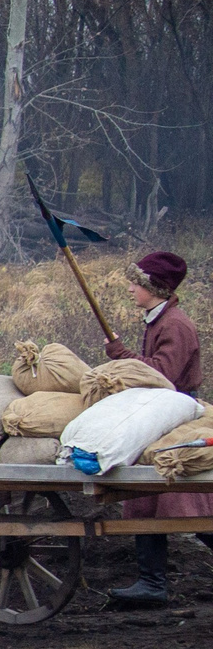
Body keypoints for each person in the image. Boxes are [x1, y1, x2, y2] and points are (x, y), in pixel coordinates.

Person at [104, 251, 206, 607]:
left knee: (189, 505)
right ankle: (151, 583)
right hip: (162, 414)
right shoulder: (158, 320)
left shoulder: (175, 325)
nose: (130, 289)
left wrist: (121, 355)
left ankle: (152, 584)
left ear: (156, 287)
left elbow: (161, 375)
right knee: (148, 497)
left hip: (176, 418)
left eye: (137, 283)